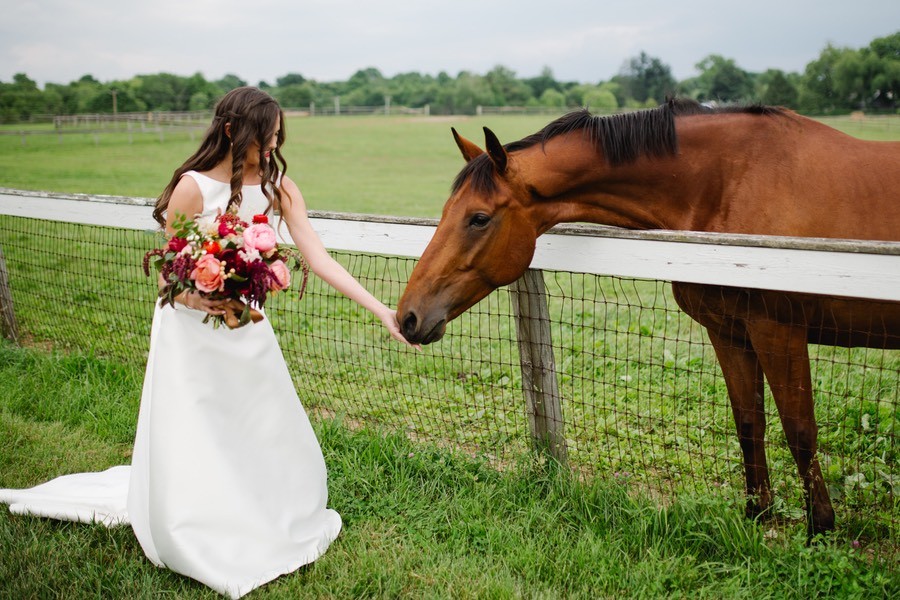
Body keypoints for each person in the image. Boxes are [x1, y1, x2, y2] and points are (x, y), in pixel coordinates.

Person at [0, 86, 417, 598]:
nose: (274, 146)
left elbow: (320, 257)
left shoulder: (279, 187)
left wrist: (382, 312)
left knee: (258, 418)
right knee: (197, 421)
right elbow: (166, 275)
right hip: (188, 328)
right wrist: (201, 299)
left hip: (248, 326)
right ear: (231, 131)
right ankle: (197, 515)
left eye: (279, 136)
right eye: (266, 137)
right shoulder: (191, 187)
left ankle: (264, 506)